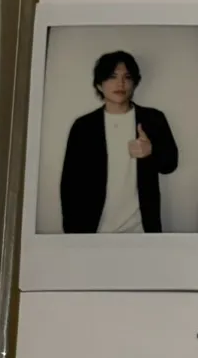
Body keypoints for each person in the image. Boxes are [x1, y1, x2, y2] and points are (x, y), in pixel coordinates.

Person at [59, 51, 179, 233]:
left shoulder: (153, 119)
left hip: (141, 230)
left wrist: (151, 151)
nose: (120, 83)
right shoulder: (84, 127)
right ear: (99, 85)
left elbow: (170, 165)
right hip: (94, 231)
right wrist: (73, 235)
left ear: (135, 83)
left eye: (127, 77)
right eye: (112, 77)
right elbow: (70, 184)